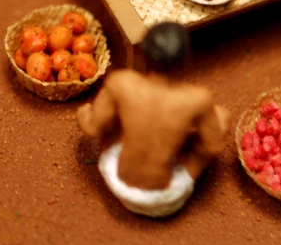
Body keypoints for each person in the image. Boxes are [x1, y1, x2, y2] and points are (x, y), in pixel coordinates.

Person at [77, 22, 231, 217]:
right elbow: (213, 146)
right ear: (186, 60)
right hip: (166, 198)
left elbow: (92, 128)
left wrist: (84, 112)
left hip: (117, 183)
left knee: (114, 118)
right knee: (222, 117)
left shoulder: (121, 82)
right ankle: (178, 160)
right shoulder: (198, 99)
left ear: (144, 53)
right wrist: (185, 139)